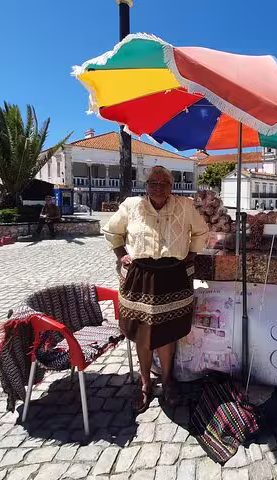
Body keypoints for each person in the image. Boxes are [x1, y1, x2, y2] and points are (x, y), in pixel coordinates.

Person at [102, 166, 209, 412]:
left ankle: (168, 381)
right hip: (141, 277)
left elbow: (201, 231)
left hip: (173, 275)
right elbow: (111, 231)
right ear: (146, 184)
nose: (158, 185)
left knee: (168, 332)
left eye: (163, 181)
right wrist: (121, 255)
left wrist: (191, 254)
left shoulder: (184, 205)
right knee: (142, 332)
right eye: (153, 181)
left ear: (171, 186)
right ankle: (145, 382)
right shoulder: (131, 205)